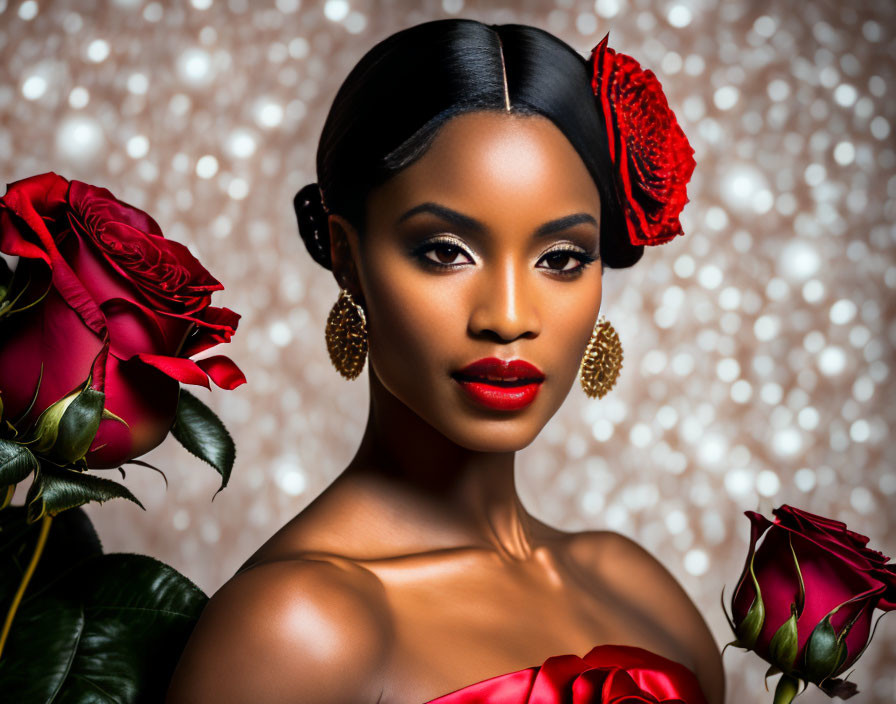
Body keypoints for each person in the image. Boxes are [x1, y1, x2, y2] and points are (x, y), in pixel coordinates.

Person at [165, 18, 724, 704]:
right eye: (445, 251)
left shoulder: (641, 592)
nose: (509, 317)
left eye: (562, 259)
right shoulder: (296, 628)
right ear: (348, 258)